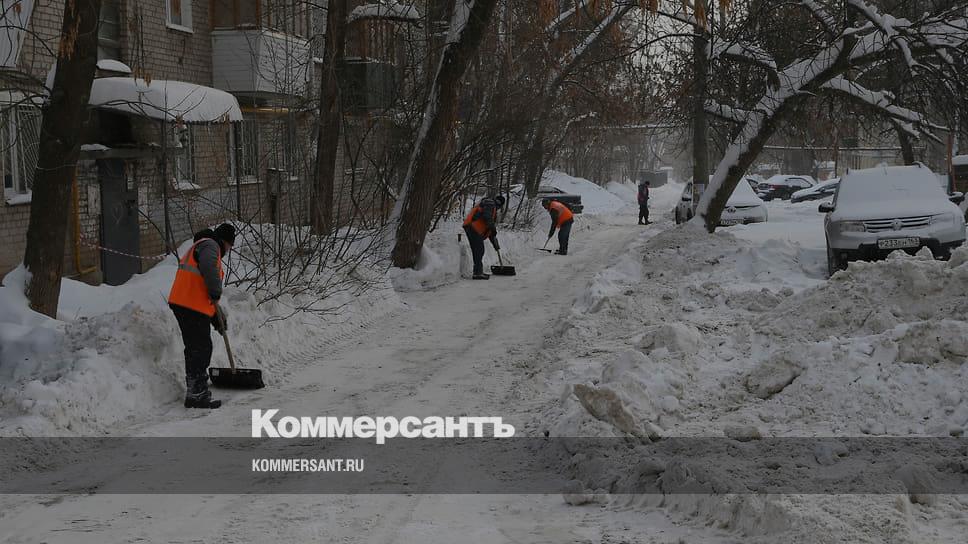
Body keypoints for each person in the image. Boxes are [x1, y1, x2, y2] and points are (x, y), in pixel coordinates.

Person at [168, 223, 236, 409]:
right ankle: (197, 393)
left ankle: (195, 391)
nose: (228, 250)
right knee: (200, 348)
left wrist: (216, 316)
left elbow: (201, 287)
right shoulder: (211, 245)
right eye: (229, 246)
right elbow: (208, 268)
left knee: (196, 347)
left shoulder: (202, 245)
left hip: (186, 302)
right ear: (224, 241)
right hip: (189, 304)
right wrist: (216, 290)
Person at [462, 195, 505, 280]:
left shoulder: (490, 206)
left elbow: (490, 231)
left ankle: (478, 272)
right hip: (473, 227)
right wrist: (493, 228)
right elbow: (487, 217)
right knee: (479, 249)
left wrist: (495, 244)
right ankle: (478, 273)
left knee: (478, 250)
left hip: (472, 227)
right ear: (500, 204)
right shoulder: (490, 203)